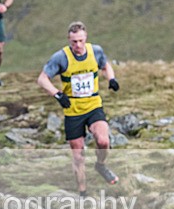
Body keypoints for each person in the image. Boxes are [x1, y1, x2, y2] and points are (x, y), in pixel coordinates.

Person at [36, 21, 120, 196]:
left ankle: (101, 165)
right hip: (73, 111)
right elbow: (42, 79)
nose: (78, 45)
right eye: (74, 42)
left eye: (81, 41)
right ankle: (83, 192)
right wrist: (57, 94)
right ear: (69, 40)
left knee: (103, 141)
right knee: (78, 155)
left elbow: (105, 64)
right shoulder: (61, 57)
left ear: (86, 38)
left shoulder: (95, 51)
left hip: (93, 105)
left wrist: (111, 79)